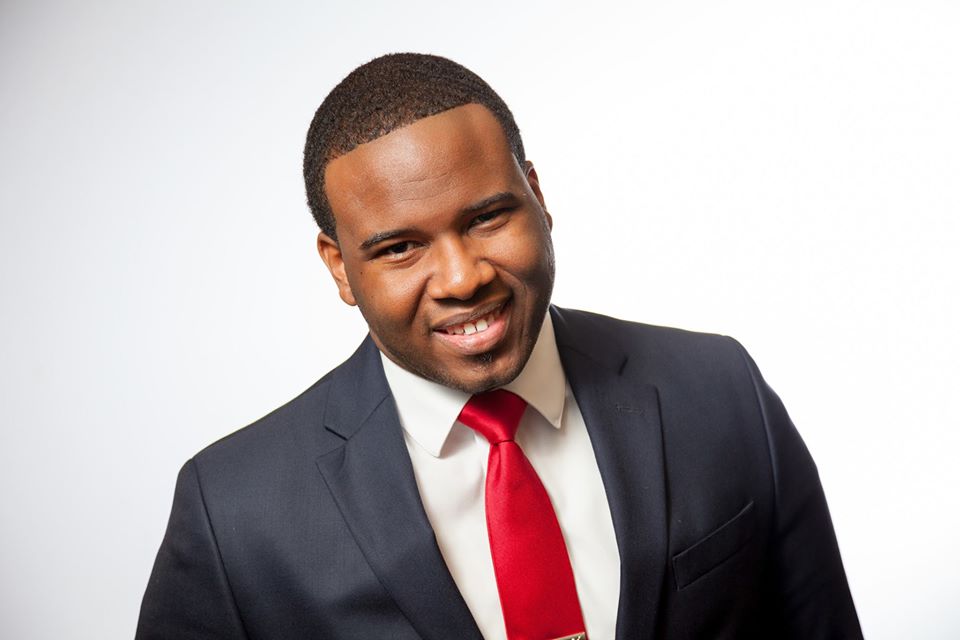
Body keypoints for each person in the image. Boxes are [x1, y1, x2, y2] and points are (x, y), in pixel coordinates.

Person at [136, 53, 862, 640]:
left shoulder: (719, 390)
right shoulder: (235, 513)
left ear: (537, 195)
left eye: (486, 218)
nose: (463, 278)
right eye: (399, 248)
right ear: (339, 268)